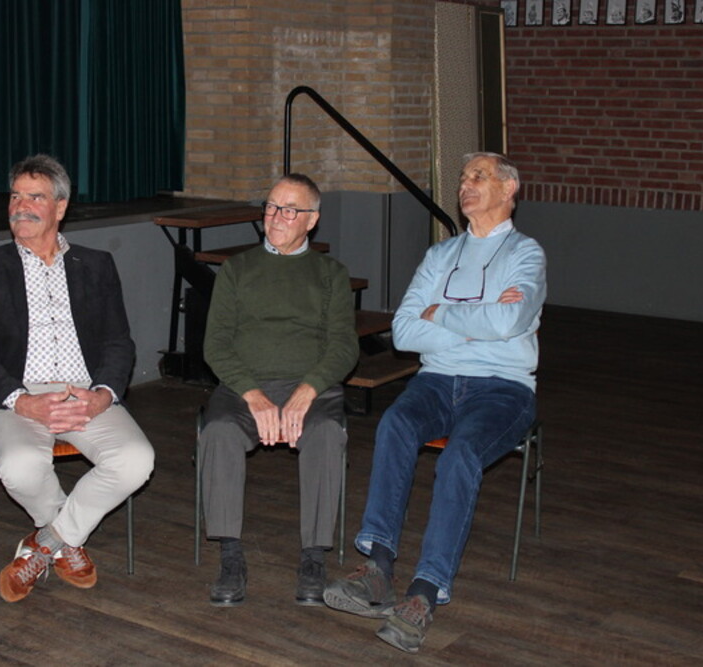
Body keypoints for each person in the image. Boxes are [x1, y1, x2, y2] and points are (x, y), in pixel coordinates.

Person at [323, 152, 546, 653]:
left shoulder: (526, 255)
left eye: (479, 176)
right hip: (438, 380)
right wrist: (479, 322)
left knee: (461, 453)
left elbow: (509, 323)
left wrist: (439, 314)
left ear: (509, 189)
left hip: (503, 387)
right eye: (463, 177)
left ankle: (424, 592)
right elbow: (404, 333)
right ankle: (378, 567)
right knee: (395, 424)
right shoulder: (440, 255)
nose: (465, 185)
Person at [0, 154, 154, 603]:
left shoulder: (96, 265)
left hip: (84, 393)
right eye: (15, 196)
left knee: (136, 460)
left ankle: (46, 544)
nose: (20, 207)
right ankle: (69, 543)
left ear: (60, 207)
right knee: (20, 466)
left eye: (35, 197)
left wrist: (102, 395)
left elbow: (119, 343)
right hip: (16, 396)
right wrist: (23, 401)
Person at [199, 173, 359, 607]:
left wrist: (309, 389)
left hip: (311, 388)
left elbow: (344, 346)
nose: (276, 217)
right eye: (271, 207)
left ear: (312, 220)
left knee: (326, 433)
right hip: (244, 387)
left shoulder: (330, 274)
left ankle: (313, 557)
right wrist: (252, 394)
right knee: (219, 432)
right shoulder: (237, 269)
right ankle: (231, 555)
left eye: (290, 210)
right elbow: (215, 344)